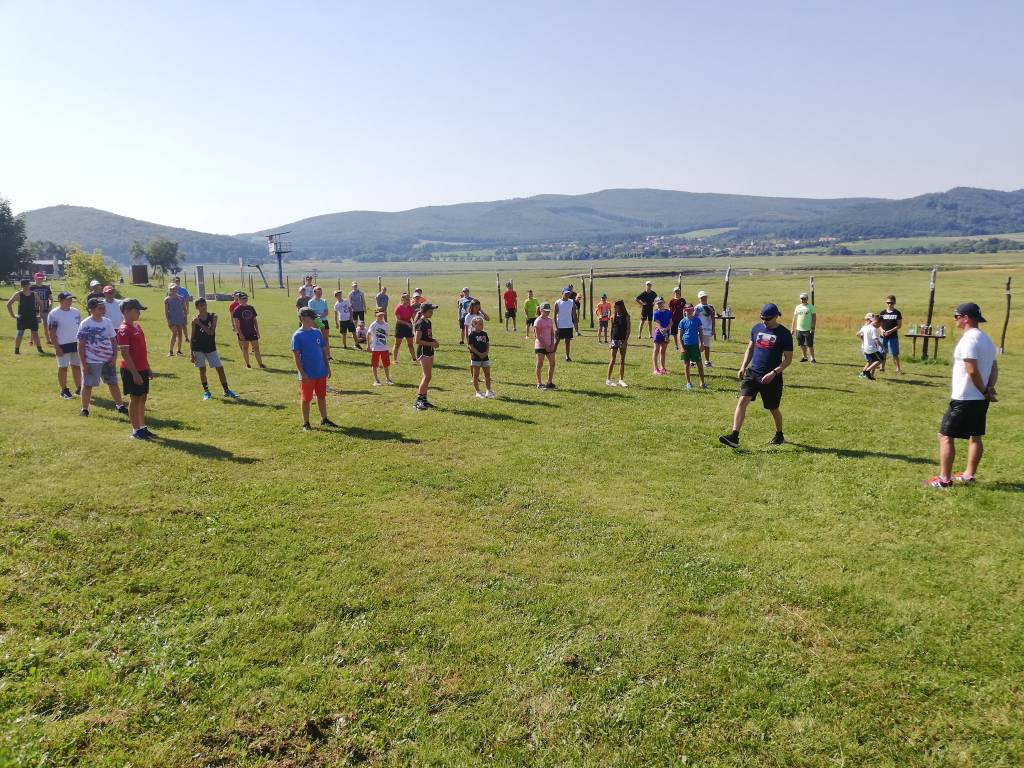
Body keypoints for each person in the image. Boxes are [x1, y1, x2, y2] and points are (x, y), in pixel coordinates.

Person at [925, 302, 998, 488]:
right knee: (975, 436)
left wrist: (984, 390)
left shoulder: (969, 340)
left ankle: (944, 480)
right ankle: (968, 475)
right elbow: (994, 367)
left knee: (944, 435)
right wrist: (989, 389)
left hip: (965, 398)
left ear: (966, 318)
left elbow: (971, 370)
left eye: (956, 316)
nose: (955, 319)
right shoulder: (987, 339)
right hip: (980, 399)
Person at [719, 303, 793, 449]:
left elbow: (788, 359)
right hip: (753, 373)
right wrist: (743, 366)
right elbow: (750, 349)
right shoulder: (756, 328)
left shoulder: (784, 334)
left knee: (773, 408)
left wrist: (774, 373)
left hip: (772, 377)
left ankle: (779, 434)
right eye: (762, 318)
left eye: (768, 319)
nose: (764, 321)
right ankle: (734, 436)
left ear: (776, 316)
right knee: (742, 401)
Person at [77, 297, 127, 416]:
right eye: (100, 308)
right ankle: (85, 409)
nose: (103, 310)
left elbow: (113, 340)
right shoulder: (85, 324)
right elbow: (81, 345)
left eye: (104, 308)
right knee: (88, 385)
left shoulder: (107, 322)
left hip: (107, 360)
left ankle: (120, 405)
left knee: (113, 383)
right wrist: (84, 364)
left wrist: (114, 357)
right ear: (91, 310)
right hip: (92, 361)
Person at [292, 307, 337, 431]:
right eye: (311, 318)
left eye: (313, 317)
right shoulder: (297, 336)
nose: (313, 320)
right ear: (302, 318)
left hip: (320, 371)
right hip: (307, 374)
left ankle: (324, 419)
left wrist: (327, 367)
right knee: (306, 399)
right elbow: (296, 357)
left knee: (321, 396)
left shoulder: (317, 332)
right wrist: (303, 373)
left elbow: (323, 351)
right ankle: (306, 423)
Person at [116, 298, 156, 440]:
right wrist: (134, 373)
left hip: (142, 368)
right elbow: (125, 354)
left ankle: (142, 426)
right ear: (126, 311)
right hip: (131, 370)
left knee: (143, 397)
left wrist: (148, 367)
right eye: (136, 310)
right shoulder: (123, 330)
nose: (139, 313)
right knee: (135, 398)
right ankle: (136, 430)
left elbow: (142, 350)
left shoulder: (137, 327)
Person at [190, 298, 239, 401]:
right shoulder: (194, 320)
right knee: (202, 369)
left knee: (220, 368)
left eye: (204, 305)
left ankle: (226, 390)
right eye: (201, 305)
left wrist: (199, 323)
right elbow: (192, 336)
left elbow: (211, 332)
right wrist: (191, 353)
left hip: (211, 347)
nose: (203, 307)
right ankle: (206, 391)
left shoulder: (213, 316)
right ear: (197, 307)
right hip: (198, 348)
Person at [47, 291, 83, 399]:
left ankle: (79, 388)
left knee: (76, 366)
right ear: (60, 300)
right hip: (62, 345)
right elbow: (52, 332)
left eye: (71, 299)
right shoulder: (54, 314)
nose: (70, 301)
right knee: (63, 368)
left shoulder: (76, 312)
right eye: (67, 299)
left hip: (76, 344)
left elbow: (80, 329)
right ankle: (64, 390)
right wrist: (57, 347)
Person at [413, 303, 440, 410]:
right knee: (426, 376)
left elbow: (427, 337)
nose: (432, 312)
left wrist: (434, 341)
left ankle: (424, 400)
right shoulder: (420, 323)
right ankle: (419, 401)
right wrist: (431, 343)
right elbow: (417, 340)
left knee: (428, 376)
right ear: (424, 312)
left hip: (429, 350)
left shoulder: (428, 322)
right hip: (424, 351)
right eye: (430, 311)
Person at [7, 278, 44, 355]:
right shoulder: (18, 294)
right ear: (21, 286)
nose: (26, 287)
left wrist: (40, 316)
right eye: (24, 286)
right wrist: (13, 315)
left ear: (29, 285)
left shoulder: (34, 294)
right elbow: (9, 304)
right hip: (22, 318)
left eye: (27, 285)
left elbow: (41, 304)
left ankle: (40, 350)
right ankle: (16, 351)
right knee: (20, 333)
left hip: (32, 317)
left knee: (35, 334)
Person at [678, 303, 708, 390]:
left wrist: (702, 344)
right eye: (687, 310)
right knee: (686, 364)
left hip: (695, 345)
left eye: (691, 309)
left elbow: (701, 333)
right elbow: (680, 335)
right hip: (686, 345)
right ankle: (688, 383)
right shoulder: (682, 321)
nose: (689, 311)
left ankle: (702, 383)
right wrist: (681, 347)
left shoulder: (697, 320)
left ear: (693, 310)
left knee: (699, 364)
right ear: (684, 311)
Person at [231, 293, 265, 368]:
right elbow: (236, 323)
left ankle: (260, 364)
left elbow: (254, 320)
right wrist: (240, 334)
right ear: (239, 300)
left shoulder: (251, 308)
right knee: (245, 348)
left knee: (256, 348)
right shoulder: (236, 310)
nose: (245, 300)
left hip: (252, 331)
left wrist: (257, 331)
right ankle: (248, 364)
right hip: (243, 332)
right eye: (243, 298)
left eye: (246, 298)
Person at [467, 316, 495, 398]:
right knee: (476, 375)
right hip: (476, 358)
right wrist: (479, 354)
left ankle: (488, 391)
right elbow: (471, 347)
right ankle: (478, 392)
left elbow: (487, 344)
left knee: (487, 374)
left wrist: (486, 352)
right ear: (474, 325)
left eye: (482, 324)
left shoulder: (484, 334)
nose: (481, 325)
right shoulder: (472, 335)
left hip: (485, 358)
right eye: (479, 324)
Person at [606, 300, 630, 387]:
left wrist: (625, 341)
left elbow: (628, 329)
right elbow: (611, 330)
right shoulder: (613, 317)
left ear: (620, 307)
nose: (614, 308)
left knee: (622, 360)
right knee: (612, 360)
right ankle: (608, 379)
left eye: (616, 306)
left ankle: (621, 380)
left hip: (623, 340)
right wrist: (610, 341)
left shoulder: (627, 317)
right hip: (614, 340)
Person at [366, 309, 393, 386]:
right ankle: (376, 380)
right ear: (376, 315)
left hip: (384, 348)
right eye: (379, 315)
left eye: (382, 315)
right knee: (375, 364)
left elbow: (386, 335)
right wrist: (368, 346)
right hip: (375, 348)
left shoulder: (386, 325)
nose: (381, 316)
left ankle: (388, 379)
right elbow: (368, 334)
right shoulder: (373, 325)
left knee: (386, 364)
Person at [877, 294, 903, 374]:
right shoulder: (882, 313)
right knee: (882, 352)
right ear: (886, 303)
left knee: (894, 353)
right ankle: (882, 367)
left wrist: (890, 331)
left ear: (894, 303)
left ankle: (898, 369)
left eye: (891, 303)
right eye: (888, 303)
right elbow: (879, 324)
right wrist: (881, 330)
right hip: (883, 337)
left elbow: (899, 325)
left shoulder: (897, 313)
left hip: (893, 337)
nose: (889, 304)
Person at [533, 302, 556, 389]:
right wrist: (545, 346)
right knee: (540, 364)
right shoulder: (538, 321)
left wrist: (552, 344)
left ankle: (549, 382)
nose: (548, 312)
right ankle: (539, 383)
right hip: (540, 346)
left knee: (552, 363)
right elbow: (538, 336)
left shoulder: (550, 320)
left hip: (550, 345)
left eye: (548, 311)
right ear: (541, 310)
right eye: (546, 311)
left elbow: (552, 333)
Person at [857, 313, 883, 380]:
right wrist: (883, 347)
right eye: (879, 325)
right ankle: (867, 372)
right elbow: (876, 339)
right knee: (880, 360)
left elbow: (857, 334)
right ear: (876, 322)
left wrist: (864, 341)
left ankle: (866, 375)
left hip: (866, 348)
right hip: (871, 348)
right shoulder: (872, 328)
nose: (879, 326)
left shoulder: (865, 327)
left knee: (871, 361)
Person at [792, 292, 816, 363]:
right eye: (802, 299)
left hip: (808, 329)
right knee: (801, 344)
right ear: (800, 299)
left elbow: (814, 318)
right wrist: (792, 328)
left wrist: (813, 327)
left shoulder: (811, 307)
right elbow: (794, 318)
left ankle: (812, 358)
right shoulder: (798, 307)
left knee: (809, 345)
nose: (803, 300)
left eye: (804, 298)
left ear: (807, 299)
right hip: (799, 329)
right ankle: (804, 357)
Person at [307, 285, 331, 358]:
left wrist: (320, 315)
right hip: (315, 321)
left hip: (324, 320)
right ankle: (316, 354)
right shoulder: (311, 302)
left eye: (321, 293)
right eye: (318, 293)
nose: (320, 295)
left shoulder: (324, 301)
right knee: (315, 338)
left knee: (326, 339)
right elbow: (312, 313)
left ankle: (328, 355)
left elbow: (326, 312)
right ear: (314, 293)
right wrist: (319, 316)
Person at [694, 290, 717, 367]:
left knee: (707, 346)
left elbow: (713, 318)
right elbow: (694, 318)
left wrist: (713, 329)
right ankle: (694, 361)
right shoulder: (697, 307)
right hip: (698, 330)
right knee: (697, 345)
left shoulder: (711, 307)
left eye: (704, 297)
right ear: (699, 299)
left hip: (708, 329)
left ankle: (707, 361)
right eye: (701, 298)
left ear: (706, 297)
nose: (703, 299)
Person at [392, 292, 416, 361]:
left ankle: (414, 359)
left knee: (410, 345)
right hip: (400, 327)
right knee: (397, 344)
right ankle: (394, 360)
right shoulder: (398, 308)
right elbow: (398, 320)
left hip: (408, 326)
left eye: (409, 299)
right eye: (407, 299)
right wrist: (407, 323)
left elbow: (414, 318)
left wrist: (415, 325)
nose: (408, 301)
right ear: (402, 299)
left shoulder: (411, 308)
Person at [164, 284, 186, 357]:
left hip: (180, 318)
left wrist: (185, 318)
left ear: (177, 289)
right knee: (174, 333)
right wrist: (168, 320)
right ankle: (170, 351)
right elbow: (166, 312)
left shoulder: (181, 298)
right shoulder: (167, 300)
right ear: (169, 289)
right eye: (172, 289)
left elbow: (184, 309)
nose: (173, 290)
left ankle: (179, 351)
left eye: (174, 288)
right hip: (172, 319)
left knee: (180, 334)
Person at [651, 297, 672, 375]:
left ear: (664, 302)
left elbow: (671, 322)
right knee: (656, 350)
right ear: (656, 304)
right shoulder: (656, 313)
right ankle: (656, 369)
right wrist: (663, 331)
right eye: (658, 303)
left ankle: (663, 368)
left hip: (667, 332)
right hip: (658, 333)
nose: (660, 304)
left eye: (661, 302)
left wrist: (667, 329)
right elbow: (658, 324)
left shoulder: (668, 312)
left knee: (663, 351)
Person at [554, 288, 576, 362]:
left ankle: (567, 356)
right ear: (562, 293)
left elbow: (574, 314)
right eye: (566, 293)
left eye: (568, 293)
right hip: (560, 326)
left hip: (569, 325)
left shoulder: (572, 302)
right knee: (556, 341)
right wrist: (556, 327)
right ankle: (552, 354)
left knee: (567, 342)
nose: (567, 295)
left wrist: (575, 324)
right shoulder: (558, 302)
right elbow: (554, 316)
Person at [173, 276, 192, 341]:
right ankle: (177, 338)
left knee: (184, 325)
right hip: (175, 311)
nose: (177, 282)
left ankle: (186, 338)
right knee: (176, 325)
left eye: (178, 281)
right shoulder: (172, 290)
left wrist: (187, 309)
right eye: (176, 281)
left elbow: (187, 300)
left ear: (179, 281)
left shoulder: (184, 290)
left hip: (183, 311)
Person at [668, 287, 687, 351]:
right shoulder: (672, 301)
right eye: (676, 291)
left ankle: (683, 344)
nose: (677, 292)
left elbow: (685, 309)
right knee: (675, 333)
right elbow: (670, 311)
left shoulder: (683, 300)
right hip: (674, 319)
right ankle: (676, 345)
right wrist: (670, 319)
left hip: (682, 319)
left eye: (678, 291)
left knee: (683, 332)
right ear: (674, 292)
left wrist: (685, 317)